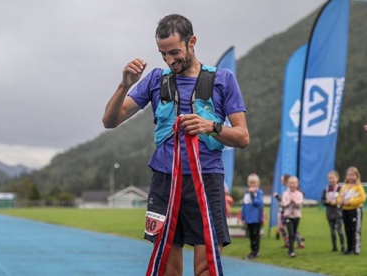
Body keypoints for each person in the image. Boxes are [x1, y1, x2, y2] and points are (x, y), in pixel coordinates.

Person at [102, 14, 249, 276]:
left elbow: (242, 137)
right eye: (163, 54)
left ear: (192, 42)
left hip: (206, 182)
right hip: (164, 182)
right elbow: (110, 121)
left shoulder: (222, 79)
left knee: (206, 268)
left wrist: (211, 126)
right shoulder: (155, 80)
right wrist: (124, 85)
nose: (170, 60)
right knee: (166, 268)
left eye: (175, 52)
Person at [337, 166, 366, 255]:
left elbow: (362, 198)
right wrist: (340, 201)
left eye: (353, 175)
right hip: (345, 210)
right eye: (349, 175)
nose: (351, 177)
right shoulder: (344, 186)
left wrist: (350, 202)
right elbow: (340, 196)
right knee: (347, 229)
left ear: (357, 176)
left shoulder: (358, 187)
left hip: (355, 210)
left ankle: (356, 248)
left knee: (355, 229)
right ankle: (349, 248)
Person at [273, 174, 305, 249]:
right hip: (286, 212)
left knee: (286, 228)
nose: (281, 181)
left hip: (287, 212)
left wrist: (277, 196)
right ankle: (291, 242)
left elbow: (284, 202)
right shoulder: (286, 191)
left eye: (282, 179)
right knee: (287, 228)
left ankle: (296, 241)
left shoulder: (290, 191)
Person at [241, 173, 264, 259]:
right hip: (248, 218)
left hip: (256, 218)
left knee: (256, 235)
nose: (252, 185)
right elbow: (244, 205)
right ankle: (253, 250)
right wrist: (243, 217)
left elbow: (259, 204)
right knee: (250, 235)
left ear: (258, 183)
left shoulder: (259, 193)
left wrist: (252, 195)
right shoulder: (246, 193)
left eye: (254, 183)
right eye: (251, 183)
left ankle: (255, 251)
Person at [321, 170, 345, 252]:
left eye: (332, 178)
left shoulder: (341, 189)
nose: (331, 180)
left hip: (339, 213)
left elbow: (344, 200)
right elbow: (323, 201)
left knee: (339, 230)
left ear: (337, 178)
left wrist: (337, 202)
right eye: (329, 178)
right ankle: (334, 247)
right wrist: (326, 202)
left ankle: (343, 246)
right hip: (330, 213)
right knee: (332, 231)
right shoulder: (326, 190)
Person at [281, 176, 304, 258]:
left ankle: (290, 248)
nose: (292, 185)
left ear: (297, 184)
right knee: (290, 233)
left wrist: (295, 203)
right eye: (290, 183)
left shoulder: (300, 194)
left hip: (296, 216)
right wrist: (289, 202)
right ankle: (291, 251)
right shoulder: (285, 194)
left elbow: (300, 205)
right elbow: (283, 204)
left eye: (294, 183)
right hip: (288, 216)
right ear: (287, 184)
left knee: (294, 233)